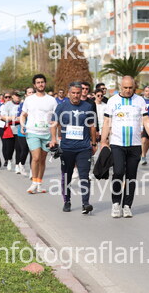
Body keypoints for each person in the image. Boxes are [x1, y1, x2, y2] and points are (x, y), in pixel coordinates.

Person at [100, 76, 149, 218]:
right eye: (125, 87)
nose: (128, 90)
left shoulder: (140, 100)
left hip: (135, 144)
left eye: (130, 88)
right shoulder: (113, 101)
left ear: (134, 87)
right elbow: (107, 122)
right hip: (117, 143)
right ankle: (115, 203)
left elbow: (146, 120)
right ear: (121, 87)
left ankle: (127, 206)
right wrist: (103, 141)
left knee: (131, 176)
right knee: (118, 172)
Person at [53, 82, 97, 214]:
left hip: (83, 147)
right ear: (69, 93)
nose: (76, 95)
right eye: (73, 93)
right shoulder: (61, 107)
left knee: (84, 175)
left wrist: (94, 143)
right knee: (67, 176)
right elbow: (54, 123)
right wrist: (53, 139)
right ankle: (67, 201)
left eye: (78, 93)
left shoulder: (88, 106)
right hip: (67, 148)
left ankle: (85, 203)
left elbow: (92, 126)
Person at [21, 74, 58, 194]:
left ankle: (39, 183)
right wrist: (22, 125)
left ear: (45, 83)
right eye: (38, 82)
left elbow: (55, 119)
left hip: (46, 133)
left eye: (42, 82)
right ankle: (33, 183)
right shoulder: (29, 99)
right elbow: (23, 114)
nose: (40, 84)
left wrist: (55, 137)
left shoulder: (52, 100)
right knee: (36, 157)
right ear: (34, 85)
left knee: (42, 160)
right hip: (32, 132)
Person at [15, 88, 34, 176]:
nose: (31, 94)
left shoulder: (37, 104)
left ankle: (32, 171)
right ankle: (21, 164)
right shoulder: (22, 105)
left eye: (32, 92)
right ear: (26, 95)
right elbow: (19, 117)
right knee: (24, 150)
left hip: (34, 131)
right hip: (23, 131)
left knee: (33, 152)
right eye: (29, 92)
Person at [0, 92, 20, 171]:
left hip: (19, 128)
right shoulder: (7, 105)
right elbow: (3, 117)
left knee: (18, 148)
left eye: (19, 96)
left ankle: (17, 165)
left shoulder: (22, 104)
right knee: (9, 148)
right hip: (9, 128)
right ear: (13, 96)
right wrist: (13, 118)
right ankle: (9, 160)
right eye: (16, 96)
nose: (18, 97)